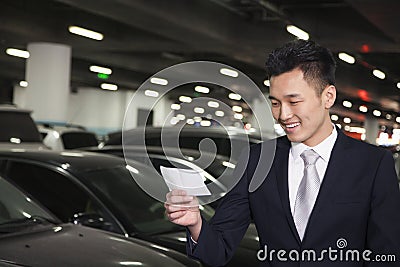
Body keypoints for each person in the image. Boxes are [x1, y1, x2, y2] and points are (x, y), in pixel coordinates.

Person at [164, 39, 400, 266]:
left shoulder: (374, 164)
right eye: (275, 103)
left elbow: (386, 255)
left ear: (328, 96)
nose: (283, 115)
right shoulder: (256, 161)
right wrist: (195, 223)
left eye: (294, 102)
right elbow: (218, 250)